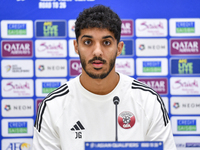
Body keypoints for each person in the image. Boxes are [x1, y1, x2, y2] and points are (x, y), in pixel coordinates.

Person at [32, 5, 177, 150]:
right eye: (88, 42)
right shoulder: (53, 106)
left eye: (106, 42)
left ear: (119, 48)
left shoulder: (148, 101)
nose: (97, 52)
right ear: (76, 47)